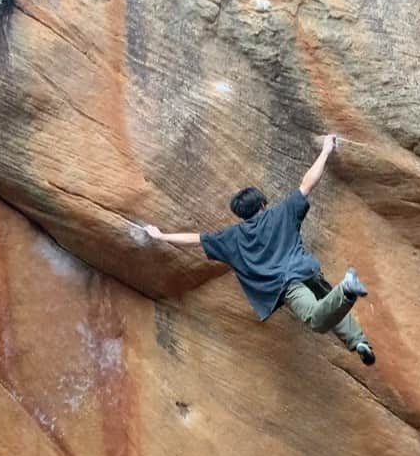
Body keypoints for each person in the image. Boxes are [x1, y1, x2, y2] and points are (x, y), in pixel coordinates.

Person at [144, 134, 375, 364]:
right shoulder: (282, 212)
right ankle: (358, 341)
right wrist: (326, 150)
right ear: (264, 204)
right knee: (329, 303)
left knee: (316, 318)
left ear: (241, 214)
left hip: (289, 285)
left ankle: (347, 289)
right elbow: (307, 184)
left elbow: (195, 239)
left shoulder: (233, 237)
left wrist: (161, 235)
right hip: (308, 271)